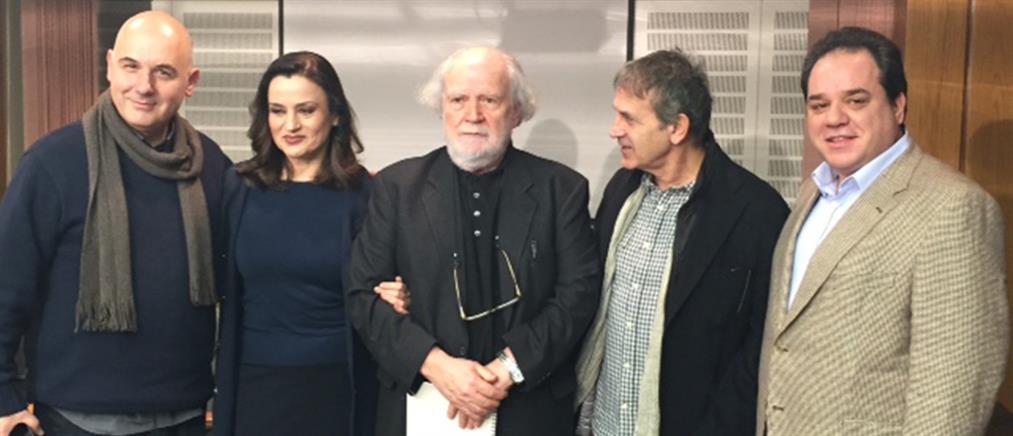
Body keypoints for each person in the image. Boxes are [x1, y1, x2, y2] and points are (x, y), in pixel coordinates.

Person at [756, 27, 1008, 436]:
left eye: (856, 100)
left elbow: (952, 397)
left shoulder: (954, 208)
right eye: (819, 105)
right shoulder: (811, 193)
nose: (834, 118)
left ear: (898, 106)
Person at [346, 46, 601, 436]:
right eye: (458, 100)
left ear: (516, 112)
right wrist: (438, 367)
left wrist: (505, 371)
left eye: (489, 100)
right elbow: (362, 296)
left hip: (525, 408)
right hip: (422, 402)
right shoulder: (396, 188)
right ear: (441, 108)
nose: (473, 115)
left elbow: (577, 296)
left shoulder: (561, 190)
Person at [0, 11, 230, 436]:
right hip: (73, 420)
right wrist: (4, 400)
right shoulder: (52, 164)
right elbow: (6, 286)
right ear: (109, 66)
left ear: (191, 82)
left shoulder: (211, 166)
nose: (144, 86)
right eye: (131, 66)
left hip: (185, 416)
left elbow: (244, 280)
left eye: (164, 72)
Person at [571, 49, 788, 436]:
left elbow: (759, 351)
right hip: (603, 425)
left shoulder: (756, 213)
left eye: (629, 119)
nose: (614, 130)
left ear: (677, 128)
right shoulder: (621, 190)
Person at [212, 51, 377, 436]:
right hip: (254, 386)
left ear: (335, 115)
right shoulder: (239, 186)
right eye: (277, 111)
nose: (290, 125)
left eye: (306, 110)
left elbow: (381, 288)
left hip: (337, 386)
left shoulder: (365, 193)